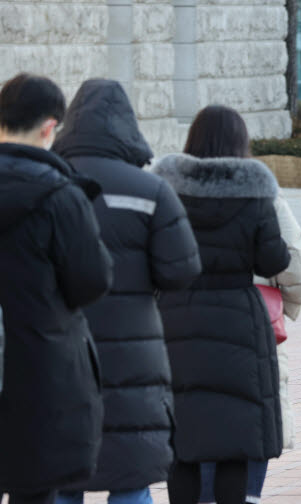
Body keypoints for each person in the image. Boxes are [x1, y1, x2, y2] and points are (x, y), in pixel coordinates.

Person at [50, 79, 202, 504]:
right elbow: (181, 270)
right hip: (135, 351)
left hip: (60, 344)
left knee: (62, 476)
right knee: (132, 476)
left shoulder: (50, 183)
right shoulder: (150, 190)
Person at [152, 106, 289, 504]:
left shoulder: (168, 190)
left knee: (182, 438)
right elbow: (273, 261)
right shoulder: (255, 191)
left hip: (177, 317)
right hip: (239, 323)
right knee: (236, 440)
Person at [0, 73, 112, 504]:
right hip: (39, 372)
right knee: (36, 489)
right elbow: (91, 281)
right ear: (50, 126)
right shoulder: (61, 196)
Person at [199, 189, 301, 504]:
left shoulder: (171, 188)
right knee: (255, 411)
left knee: (196, 412)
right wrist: (288, 303)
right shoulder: (262, 191)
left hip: (186, 317)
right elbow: (293, 258)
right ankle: (248, 496)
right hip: (253, 313)